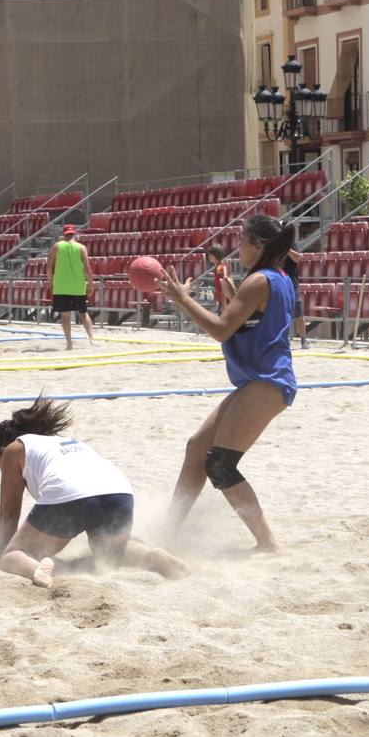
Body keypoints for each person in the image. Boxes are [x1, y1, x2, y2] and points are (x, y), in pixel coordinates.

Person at [156, 214, 297, 552]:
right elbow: (252, 321)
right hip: (260, 381)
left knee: (220, 464)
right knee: (197, 449)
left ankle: (268, 544)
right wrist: (233, 297)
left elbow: (221, 330)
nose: (237, 247)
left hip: (268, 382)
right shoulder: (278, 276)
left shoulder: (259, 280)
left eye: (242, 240)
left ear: (259, 245)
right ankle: (168, 534)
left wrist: (183, 300)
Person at [0, 397, 189, 589]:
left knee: (12, 555)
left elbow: (9, 512)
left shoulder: (13, 450)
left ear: (2, 450)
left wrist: (6, 549)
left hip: (70, 492)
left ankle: (36, 569)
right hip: (119, 490)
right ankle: (151, 556)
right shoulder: (67, 442)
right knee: (109, 555)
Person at [48, 224, 94, 349]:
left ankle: (69, 344)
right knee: (83, 313)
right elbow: (87, 268)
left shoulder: (57, 246)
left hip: (61, 286)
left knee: (65, 315)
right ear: (75, 234)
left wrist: (50, 281)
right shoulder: (81, 247)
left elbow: (49, 266)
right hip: (77, 286)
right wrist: (91, 283)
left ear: (64, 234)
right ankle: (91, 339)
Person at [284, 248, 309, 349]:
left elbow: (297, 257)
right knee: (280, 313)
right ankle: (283, 339)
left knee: (298, 313)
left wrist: (286, 248)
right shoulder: (274, 245)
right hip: (279, 281)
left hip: (292, 283)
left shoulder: (290, 243)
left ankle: (304, 340)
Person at [205, 244, 235, 314]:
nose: (208, 256)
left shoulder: (220, 269)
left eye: (210, 254)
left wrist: (223, 305)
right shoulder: (218, 267)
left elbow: (224, 287)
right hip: (222, 301)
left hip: (225, 302)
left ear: (214, 256)